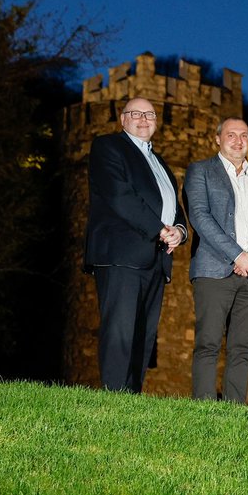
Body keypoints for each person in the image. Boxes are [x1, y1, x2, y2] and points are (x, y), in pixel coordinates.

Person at [84, 97, 188, 392]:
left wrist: (179, 231)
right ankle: (114, 395)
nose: (144, 119)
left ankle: (131, 396)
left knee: (144, 332)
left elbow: (174, 208)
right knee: (120, 329)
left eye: (150, 114)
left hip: (156, 258)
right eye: (136, 114)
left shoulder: (161, 163)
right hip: (122, 254)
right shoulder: (108, 147)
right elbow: (120, 196)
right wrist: (159, 229)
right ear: (122, 119)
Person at [185, 117, 248, 403]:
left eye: (244, 136)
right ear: (217, 139)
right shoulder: (200, 171)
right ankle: (203, 407)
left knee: (242, 348)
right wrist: (237, 255)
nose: (238, 141)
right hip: (214, 271)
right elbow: (200, 216)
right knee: (208, 343)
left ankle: (234, 409)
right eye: (231, 135)